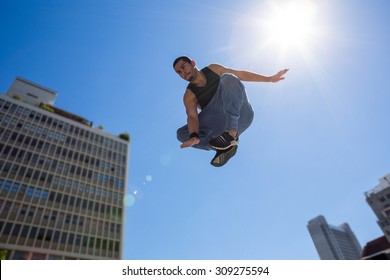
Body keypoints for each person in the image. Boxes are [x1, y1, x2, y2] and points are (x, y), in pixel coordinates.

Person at [173, 56, 288, 167]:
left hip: (241, 115)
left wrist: (269, 79)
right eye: (179, 72)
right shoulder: (189, 95)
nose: (183, 73)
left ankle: (232, 133)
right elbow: (192, 116)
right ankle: (223, 147)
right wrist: (194, 135)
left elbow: (240, 75)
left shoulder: (213, 69)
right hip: (220, 125)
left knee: (228, 77)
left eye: (183, 67)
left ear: (193, 63)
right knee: (182, 134)